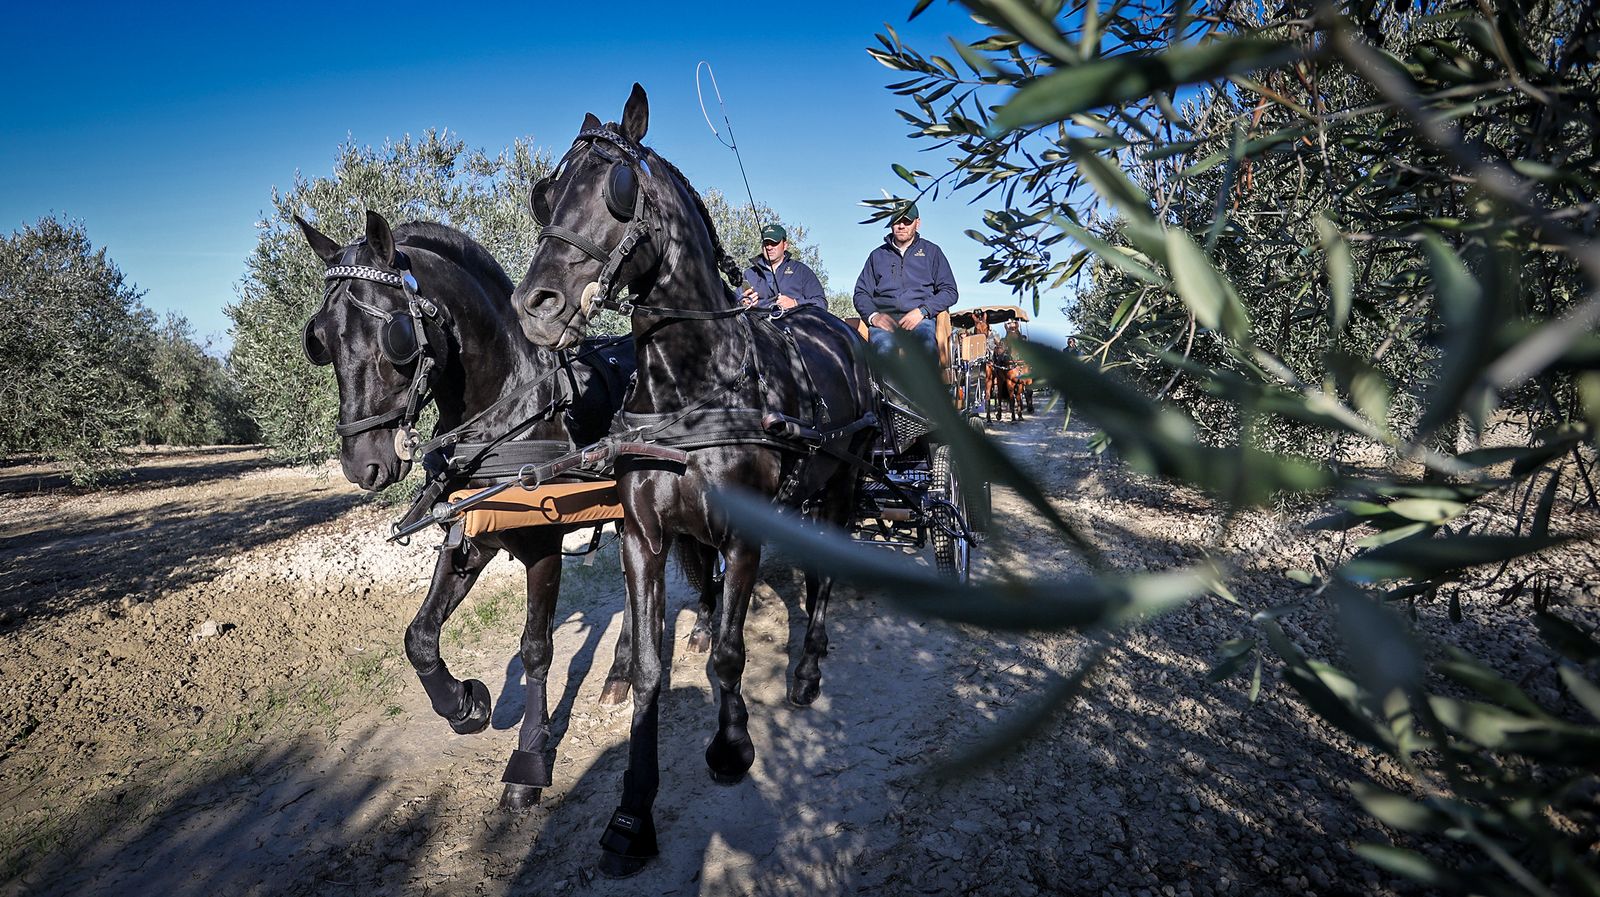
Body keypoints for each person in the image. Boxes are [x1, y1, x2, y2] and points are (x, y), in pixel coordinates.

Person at [852, 201, 957, 357]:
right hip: (885, 324)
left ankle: (925, 381)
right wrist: (874, 317)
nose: (901, 226)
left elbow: (949, 291)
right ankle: (883, 382)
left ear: (917, 223)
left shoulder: (932, 252)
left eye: (907, 221)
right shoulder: (877, 256)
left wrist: (923, 311)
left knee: (926, 345)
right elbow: (861, 293)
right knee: (883, 350)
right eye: (896, 221)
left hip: (921, 320)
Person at [740, 223, 826, 313]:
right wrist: (743, 302)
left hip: (794, 323)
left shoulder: (801, 271)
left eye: (774, 243)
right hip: (758, 324)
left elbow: (821, 303)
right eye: (766, 243)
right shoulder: (749, 274)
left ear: (785, 246)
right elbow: (733, 304)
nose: (769, 247)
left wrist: (795, 303)